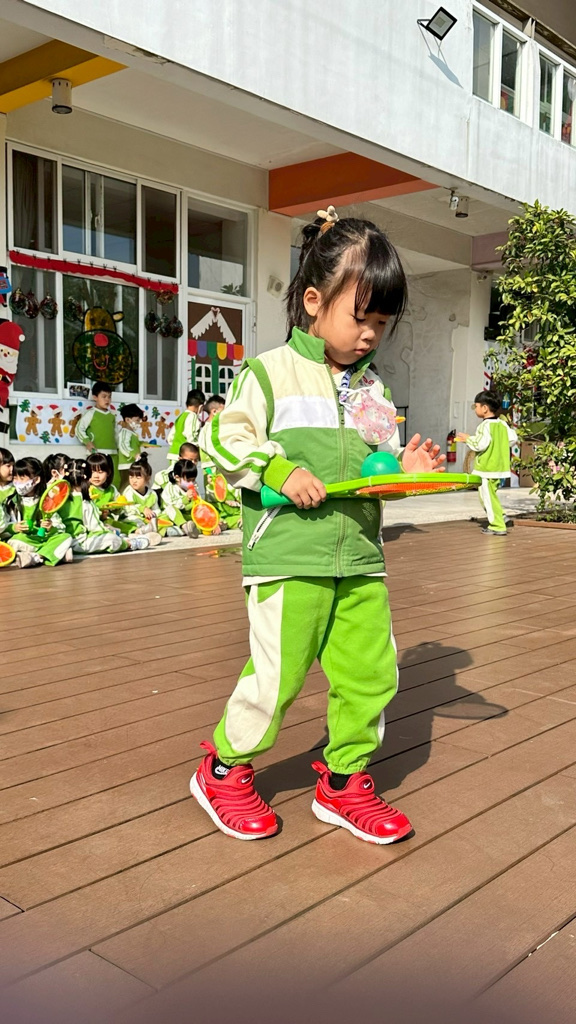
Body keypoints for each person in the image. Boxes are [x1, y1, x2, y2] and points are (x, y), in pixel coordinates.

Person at [192, 208, 445, 844]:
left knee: (371, 673)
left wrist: (406, 473)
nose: (370, 335)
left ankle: (344, 780)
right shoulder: (269, 372)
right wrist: (278, 470)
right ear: (313, 301)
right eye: (360, 317)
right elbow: (222, 438)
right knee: (277, 675)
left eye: (381, 323)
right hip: (287, 555)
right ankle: (223, 769)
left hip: (359, 559)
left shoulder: (373, 391)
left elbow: (378, 472)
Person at [58, 459, 150, 554]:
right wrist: (109, 533)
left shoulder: (60, 499)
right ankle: (129, 544)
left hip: (63, 541)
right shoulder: (85, 501)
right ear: (88, 477)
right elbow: (95, 527)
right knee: (111, 539)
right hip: (81, 543)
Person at [457, 391, 517, 536]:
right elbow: (512, 439)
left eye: (476, 406)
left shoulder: (484, 426)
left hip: (487, 468)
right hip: (500, 467)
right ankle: (500, 516)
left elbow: (480, 445)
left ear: (484, 408)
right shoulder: (502, 424)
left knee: (487, 497)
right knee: (490, 495)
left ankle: (497, 525)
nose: (475, 409)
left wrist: (468, 439)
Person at [4, 457, 73, 568]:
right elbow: (3, 527)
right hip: (26, 539)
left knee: (66, 537)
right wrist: (14, 527)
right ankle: (54, 553)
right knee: (14, 541)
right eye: (15, 478)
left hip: (44, 539)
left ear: (36, 480)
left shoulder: (47, 500)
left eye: (22, 478)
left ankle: (36, 557)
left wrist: (51, 528)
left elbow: (61, 528)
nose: (17, 482)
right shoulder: (11, 501)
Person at [75, 382, 119, 486]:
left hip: (113, 454)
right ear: (95, 397)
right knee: (94, 479)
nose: (107, 400)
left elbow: (116, 435)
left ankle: (113, 496)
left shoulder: (112, 416)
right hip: (96, 454)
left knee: (115, 478)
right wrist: (87, 442)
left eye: (109, 397)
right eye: (104, 396)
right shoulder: (91, 413)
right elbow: (79, 429)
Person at [121, 454, 163, 543]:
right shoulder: (129, 492)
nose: (134, 480)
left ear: (147, 478)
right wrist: (143, 509)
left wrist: (153, 514)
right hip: (132, 519)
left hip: (148, 520)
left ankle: (163, 531)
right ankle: (143, 532)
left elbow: (156, 509)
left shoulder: (152, 494)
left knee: (163, 517)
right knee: (135, 520)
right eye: (131, 477)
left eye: (138, 477)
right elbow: (128, 509)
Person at [160, 458, 201, 537]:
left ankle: (192, 529)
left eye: (193, 480)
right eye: (188, 480)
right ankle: (184, 527)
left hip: (187, 516)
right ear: (177, 477)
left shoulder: (194, 487)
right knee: (170, 509)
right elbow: (174, 505)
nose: (191, 483)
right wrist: (186, 499)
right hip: (173, 516)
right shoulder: (170, 488)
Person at [166, 389, 205, 466]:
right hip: (185, 457)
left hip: (172, 454)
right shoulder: (193, 417)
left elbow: (170, 438)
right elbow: (191, 437)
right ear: (201, 407)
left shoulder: (180, 417)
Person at [117, 403, 144, 491]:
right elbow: (123, 446)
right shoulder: (125, 432)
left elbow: (133, 444)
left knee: (133, 485)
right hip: (126, 465)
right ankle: (121, 498)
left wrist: (142, 443)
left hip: (132, 464)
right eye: (137, 420)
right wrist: (134, 455)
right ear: (128, 420)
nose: (139, 423)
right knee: (126, 485)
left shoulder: (132, 433)